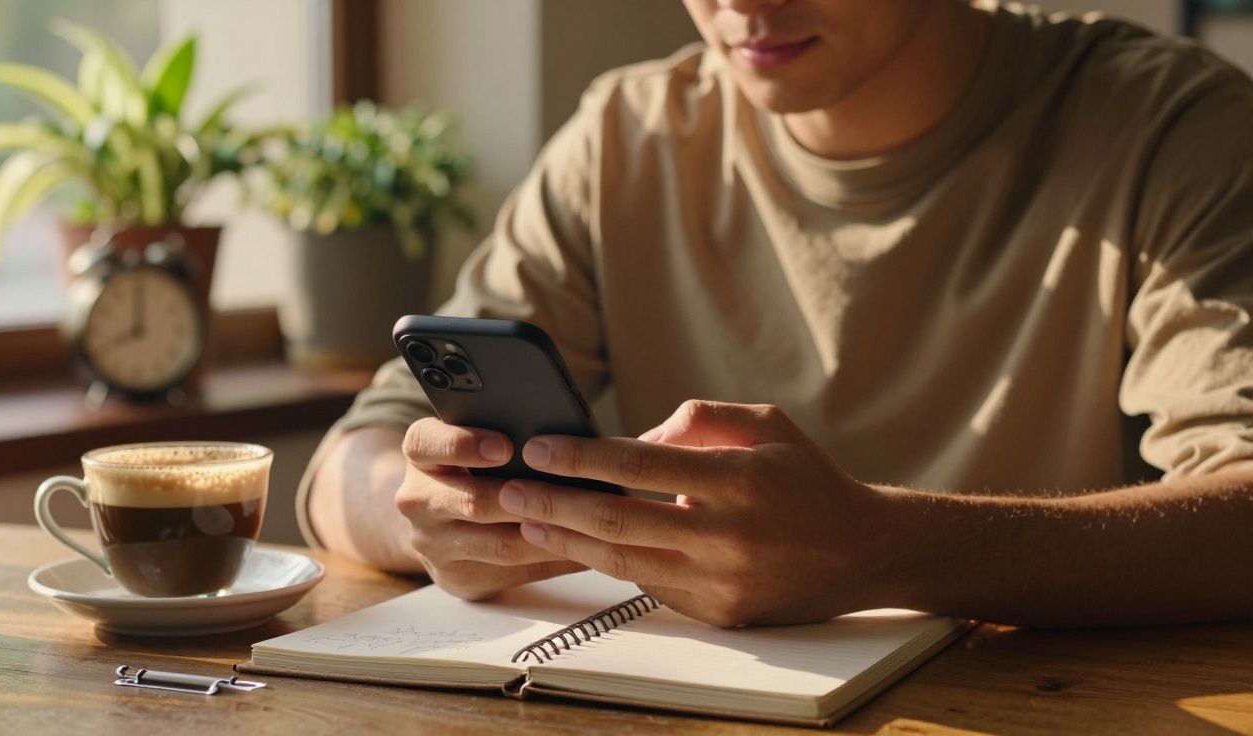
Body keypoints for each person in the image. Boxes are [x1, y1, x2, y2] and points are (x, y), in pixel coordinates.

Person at [299, 0, 1253, 628]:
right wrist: (429, 517)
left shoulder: (1170, 128)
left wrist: (892, 551)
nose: (744, 4)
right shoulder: (627, 139)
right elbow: (355, 458)